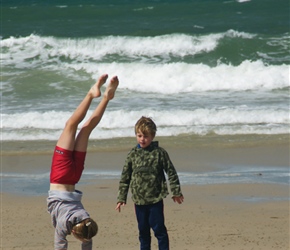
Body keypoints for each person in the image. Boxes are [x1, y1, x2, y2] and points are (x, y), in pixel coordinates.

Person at [47, 74, 119, 250]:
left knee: (86, 129)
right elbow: (60, 246)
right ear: (74, 232)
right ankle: (90, 94)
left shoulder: (87, 221)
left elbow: (88, 240)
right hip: (60, 178)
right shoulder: (64, 225)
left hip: (74, 177)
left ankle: (106, 98)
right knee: (71, 125)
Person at [115, 116, 184, 250]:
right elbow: (125, 177)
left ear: (152, 136)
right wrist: (121, 197)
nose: (142, 139)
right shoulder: (132, 155)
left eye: (146, 136)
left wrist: (176, 192)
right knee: (143, 232)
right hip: (139, 201)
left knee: (159, 231)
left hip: (155, 199)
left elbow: (171, 172)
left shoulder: (159, 153)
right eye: (139, 135)